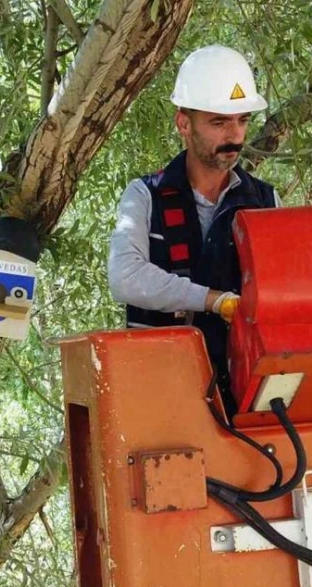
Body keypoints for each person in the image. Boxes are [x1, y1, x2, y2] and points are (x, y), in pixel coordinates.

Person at [107, 44, 279, 414]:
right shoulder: (144, 196)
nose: (235, 135)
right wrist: (213, 300)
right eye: (219, 122)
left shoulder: (265, 201)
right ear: (183, 124)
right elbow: (124, 276)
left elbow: (282, 291)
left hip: (244, 396)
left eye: (243, 120)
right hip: (161, 395)